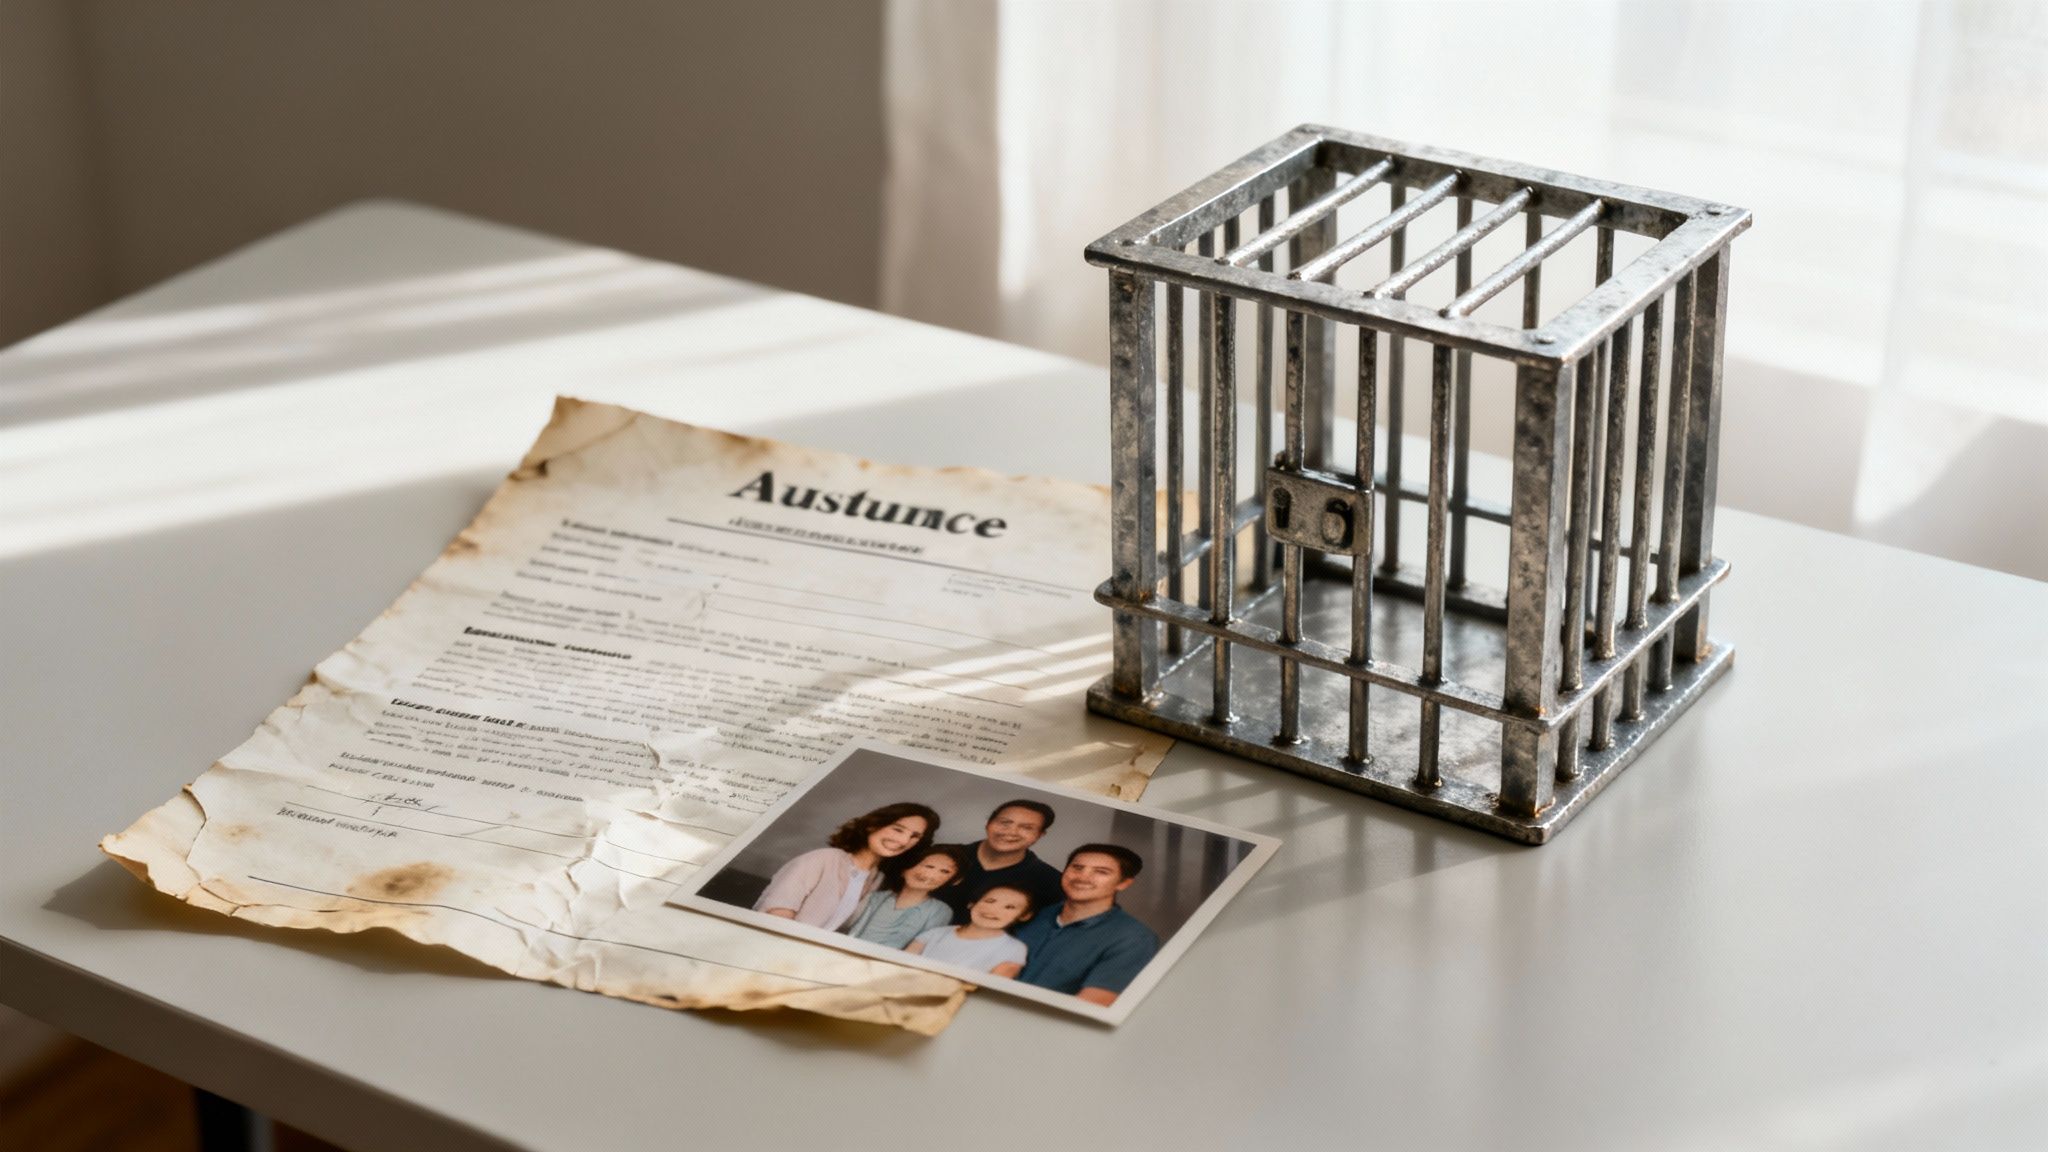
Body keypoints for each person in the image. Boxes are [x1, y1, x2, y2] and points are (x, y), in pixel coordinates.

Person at [752, 802, 939, 930]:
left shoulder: (876, 880)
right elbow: (776, 913)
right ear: (872, 826)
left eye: (915, 837)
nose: (904, 840)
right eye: (898, 829)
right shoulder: (822, 859)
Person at [1014, 844, 1159, 1007]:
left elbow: (1090, 1005)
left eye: (1101, 872)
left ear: (1123, 883)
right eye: (1077, 868)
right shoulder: (1030, 913)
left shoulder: (1134, 939)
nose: (1083, 877)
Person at [936, 799, 1064, 925]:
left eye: (1026, 827)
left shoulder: (1051, 882)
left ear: (1040, 835)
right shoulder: (940, 854)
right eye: (1005, 822)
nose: (1011, 832)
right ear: (988, 823)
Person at [843, 844, 965, 948]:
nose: (930, 874)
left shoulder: (940, 911)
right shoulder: (874, 897)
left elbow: (920, 950)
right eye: (928, 866)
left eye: (945, 871)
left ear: (953, 880)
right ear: (905, 869)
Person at [907, 884, 1034, 978]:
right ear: (972, 904)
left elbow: (992, 991)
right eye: (990, 901)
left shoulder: (1014, 949)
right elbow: (900, 964)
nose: (993, 910)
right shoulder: (936, 933)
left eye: (1009, 907)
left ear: (1024, 915)